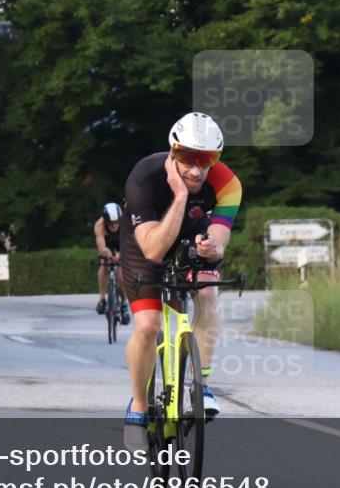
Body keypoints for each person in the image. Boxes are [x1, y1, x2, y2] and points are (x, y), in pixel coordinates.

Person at [119, 112, 242, 426]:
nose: (197, 169)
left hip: (190, 237)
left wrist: (212, 247)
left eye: (207, 159)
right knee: (148, 327)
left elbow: (220, 240)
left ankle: (200, 385)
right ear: (173, 152)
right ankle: (140, 403)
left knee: (209, 294)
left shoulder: (227, 183)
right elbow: (154, 250)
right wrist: (181, 195)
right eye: (188, 158)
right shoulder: (144, 176)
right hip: (145, 243)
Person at [95, 202, 130, 324]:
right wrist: (107, 253)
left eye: (117, 222)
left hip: (121, 245)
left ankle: (124, 304)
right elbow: (101, 247)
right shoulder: (99, 225)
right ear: (105, 221)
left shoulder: (125, 223)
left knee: (121, 274)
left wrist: (121, 255)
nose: (114, 225)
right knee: (103, 265)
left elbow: (129, 244)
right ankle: (102, 299)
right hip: (107, 246)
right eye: (111, 223)